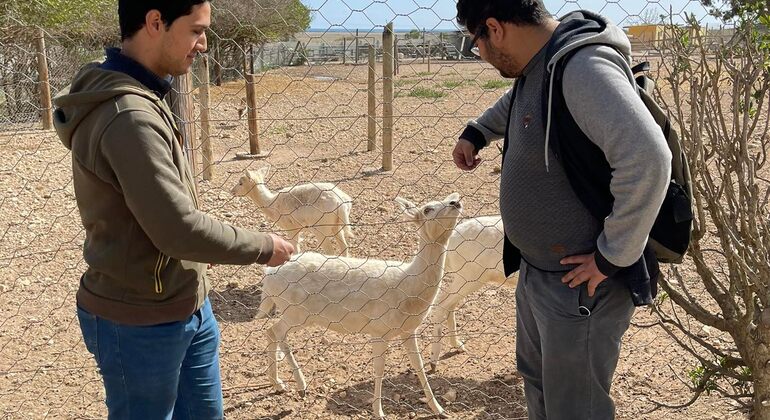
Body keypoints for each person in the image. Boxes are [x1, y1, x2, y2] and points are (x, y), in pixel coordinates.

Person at [53, 1, 295, 418]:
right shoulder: (128, 116)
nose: (203, 44)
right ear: (155, 22)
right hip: (140, 320)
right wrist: (261, 246)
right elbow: (177, 230)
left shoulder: (142, 92)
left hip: (186, 305)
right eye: (196, 30)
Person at [452, 1, 672, 419]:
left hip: (581, 284)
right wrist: (478, 132)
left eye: (473, 41)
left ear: (494, 28)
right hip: (541, 273)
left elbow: (648, 159)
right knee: (540, 386)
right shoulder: (542, 62)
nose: (477, 52)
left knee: (576, 407)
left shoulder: (583, 66)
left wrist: (612, 256)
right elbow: (520, 101)